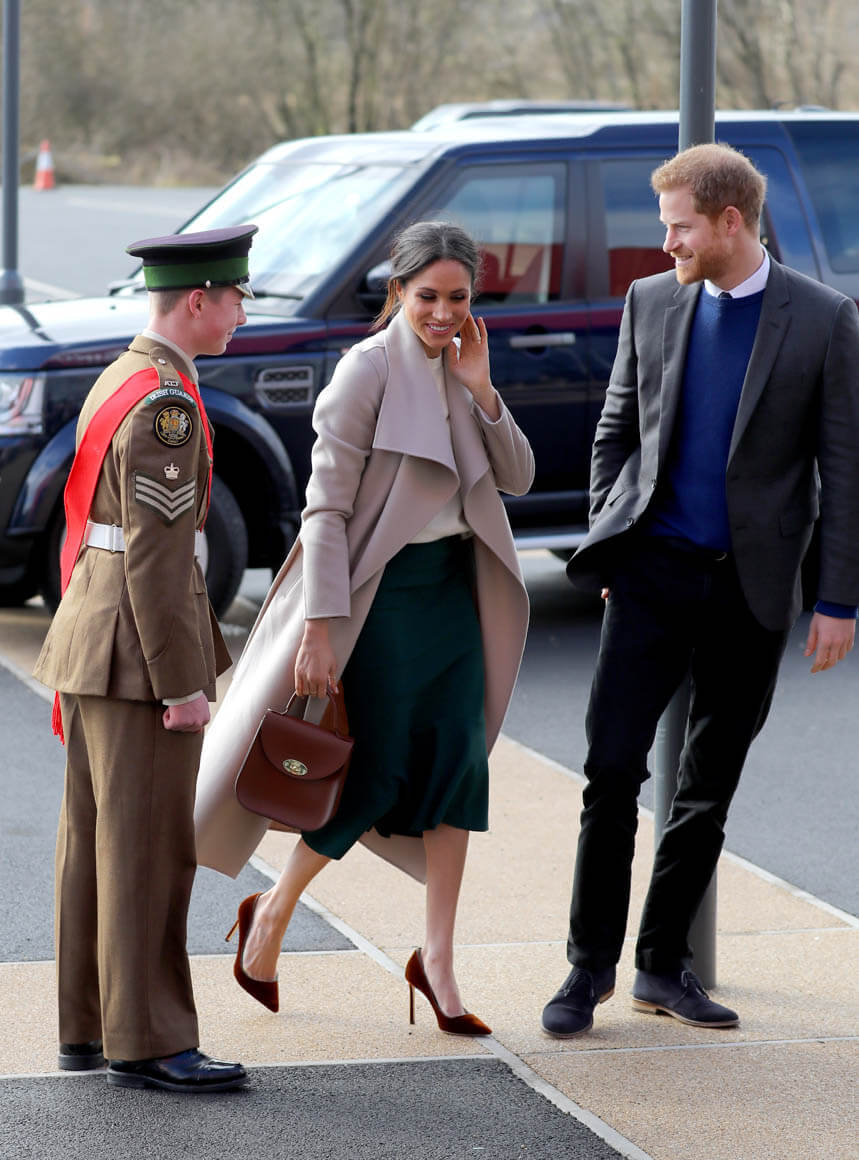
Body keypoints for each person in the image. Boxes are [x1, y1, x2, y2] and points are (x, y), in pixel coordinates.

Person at [541, 143, 859, 1038]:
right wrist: (609, 544)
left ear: (728, 221)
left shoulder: (823, 318)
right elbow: (615, 432)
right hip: (648, 577)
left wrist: (837, 601)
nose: (666, 243)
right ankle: (587, 968)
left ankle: (660, 964)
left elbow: (844, 468)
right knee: (610, 772)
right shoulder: (650, 301)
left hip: (750, 591)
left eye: (678, 227)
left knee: (705, 788)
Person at [194, 220, 534, 1034]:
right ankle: (273, 909)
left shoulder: (462, 367)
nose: (444, 313)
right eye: (428, 297)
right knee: (374, 776)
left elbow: (517, 477)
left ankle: (438, 960)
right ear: (398, 290)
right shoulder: (366, 370)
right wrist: (320, 625)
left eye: (459, 297)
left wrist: (483, 391)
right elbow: (325, 510)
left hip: (452, 595)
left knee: (458, 767)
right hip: (377, 602)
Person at [33, 226, 258, 1091]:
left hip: (95, 639)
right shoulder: (168, 405)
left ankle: (88, 1027)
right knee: (150, 854)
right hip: (137, 655)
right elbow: (159, 562)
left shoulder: (123, 373)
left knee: (95, 847)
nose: (241, 315)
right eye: (235, 299)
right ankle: (153, 1040)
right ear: (198, 299)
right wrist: (182, 687)